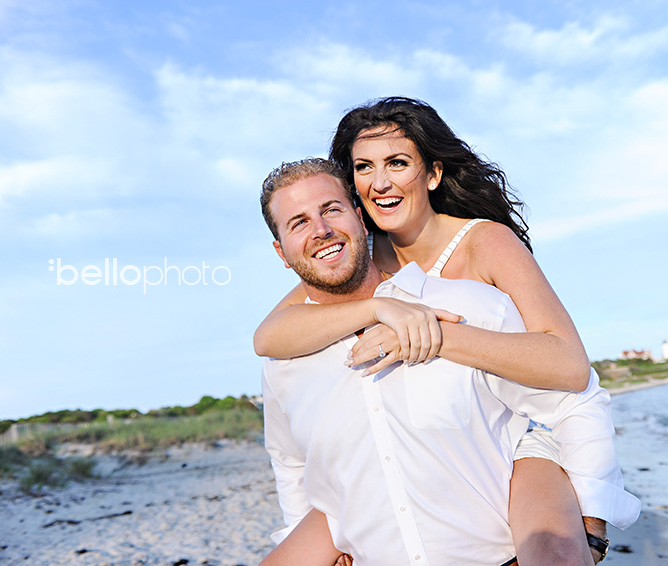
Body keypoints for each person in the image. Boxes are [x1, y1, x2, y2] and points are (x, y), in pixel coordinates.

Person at [255, 98, 640, 564]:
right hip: (406, 447)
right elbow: (271, 335)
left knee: (554, 549)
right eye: (363, 167)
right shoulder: (357, 248)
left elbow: (569, 367)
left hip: (505, 427)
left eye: (397, 163)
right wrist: (379, 309)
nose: (380, 182)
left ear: (432, 173)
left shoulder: (482, 243)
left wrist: (428, 333)